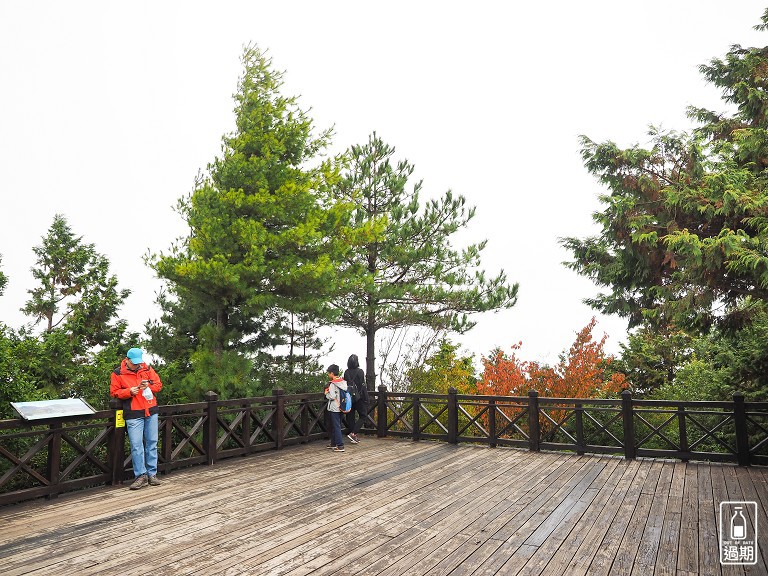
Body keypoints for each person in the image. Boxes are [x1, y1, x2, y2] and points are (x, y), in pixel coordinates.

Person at [110, 347, 164, 489]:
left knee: (152, 442)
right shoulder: (118, 373)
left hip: (151, 410)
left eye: (138, 362)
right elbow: (114, 392)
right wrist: (129, 391)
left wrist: (149, 386)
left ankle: (152, 474)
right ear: (127, 360)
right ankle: (141, 476)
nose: (137, 365)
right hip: (133, 413)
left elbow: (158, 385)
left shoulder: (147, 369)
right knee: (136, 445)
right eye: (134, 363)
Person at [343, 354, 368, 444]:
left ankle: (352, 434)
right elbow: (363, 386)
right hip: (359, 398)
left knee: (350, 416)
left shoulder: (346, 372)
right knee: (363, 415)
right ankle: (354, 433)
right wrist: (366, 398)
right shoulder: (360, 372)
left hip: (349, 397)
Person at [325, 364, 348, 453]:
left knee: (336, 426)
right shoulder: (343, 382)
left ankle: (340, 445)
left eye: (328, 373)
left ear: (331, 373)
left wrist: (326, 393)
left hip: (335, 407)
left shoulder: (333, 384)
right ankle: (333, 444)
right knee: (337, 425)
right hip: (342, 406)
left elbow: (332, 396)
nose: (328, 375)